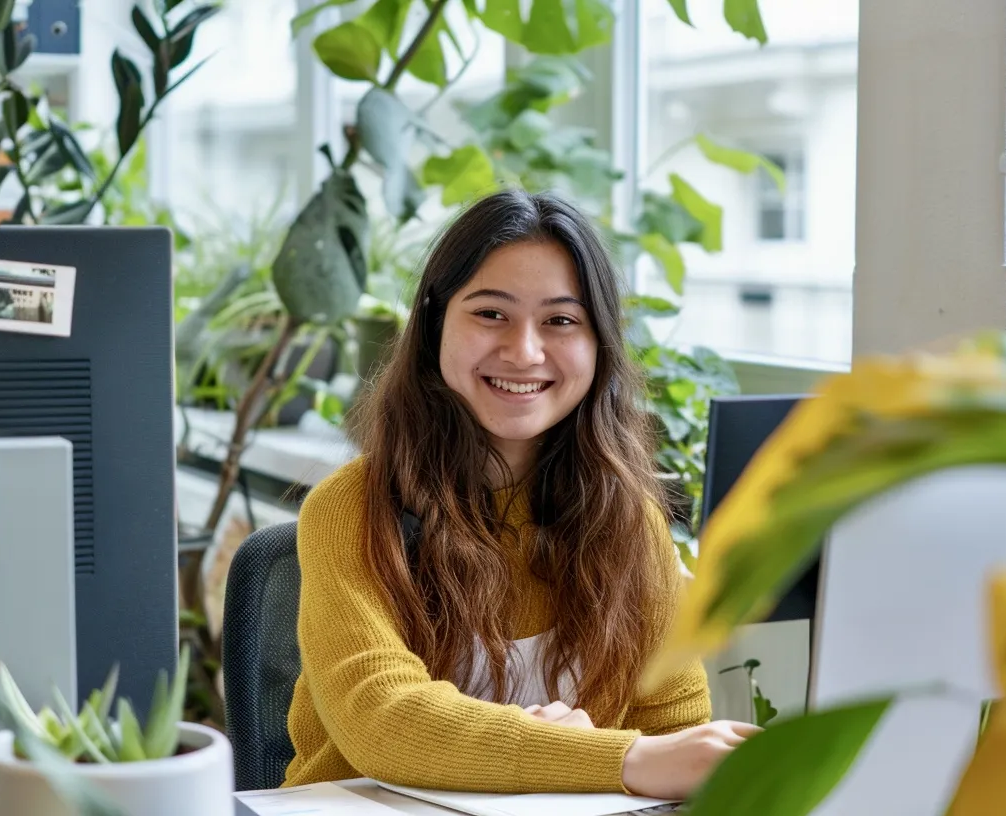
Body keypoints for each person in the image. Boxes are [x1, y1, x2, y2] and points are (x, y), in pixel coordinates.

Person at [282, 188, 760, 799]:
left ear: (598, 345)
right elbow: (382, 716)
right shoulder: (353, 509)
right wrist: (609, 756)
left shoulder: (630, 519)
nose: (524, 351)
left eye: (561, 320)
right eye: (490, 314)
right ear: (434, 326)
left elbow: (674, 731)